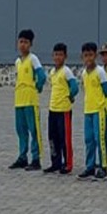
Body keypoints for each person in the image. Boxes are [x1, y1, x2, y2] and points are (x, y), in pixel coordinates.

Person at [10, 29, 45, 171]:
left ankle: (36, 158)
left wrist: (37, 87)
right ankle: (22, 156)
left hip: (30, 100)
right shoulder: (18, 61)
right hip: (19, 100)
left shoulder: (33, 59)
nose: (22, 45)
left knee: (33, 129)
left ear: (30, 44)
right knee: (21, 130)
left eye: (25, 42)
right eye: (20, 41)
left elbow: (41, 76)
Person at [42, 42, 80, 175]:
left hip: (64, 110)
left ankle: (68, 164)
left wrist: (70, 97)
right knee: (53, 138)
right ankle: (55, 162)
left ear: (65, 56)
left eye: (60, 55)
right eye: (56, 54)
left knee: (65, 138)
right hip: (53, 109)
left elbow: (75, 87)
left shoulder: (66, 71)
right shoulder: (52, 72)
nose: (58, 57)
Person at [78, 43, 107, 180]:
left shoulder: (100, 72)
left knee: (100, 139)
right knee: (89, 139)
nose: (88, 58)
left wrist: (101, 104)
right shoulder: (83, 73)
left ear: (95, 56)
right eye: (86, 55)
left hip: (99, 111)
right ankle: (90, 166)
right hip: (88, 110)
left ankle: (103, 166)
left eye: (91, 55)